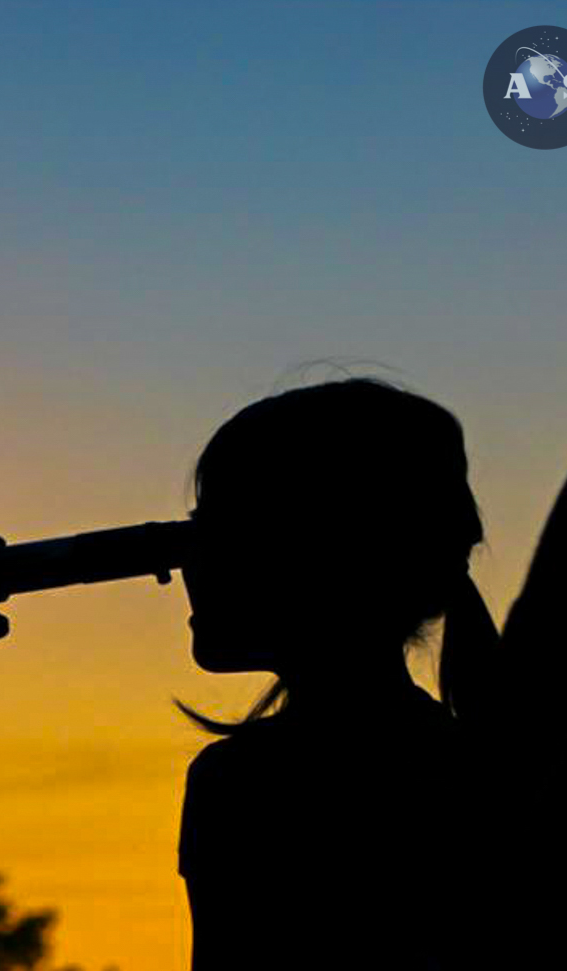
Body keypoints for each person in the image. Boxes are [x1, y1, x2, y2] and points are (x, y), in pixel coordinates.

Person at [173, 377, 499, 970]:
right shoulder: (476, 768)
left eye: (217, 529)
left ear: (313, 557)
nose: (186, 558)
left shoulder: (247, 783)